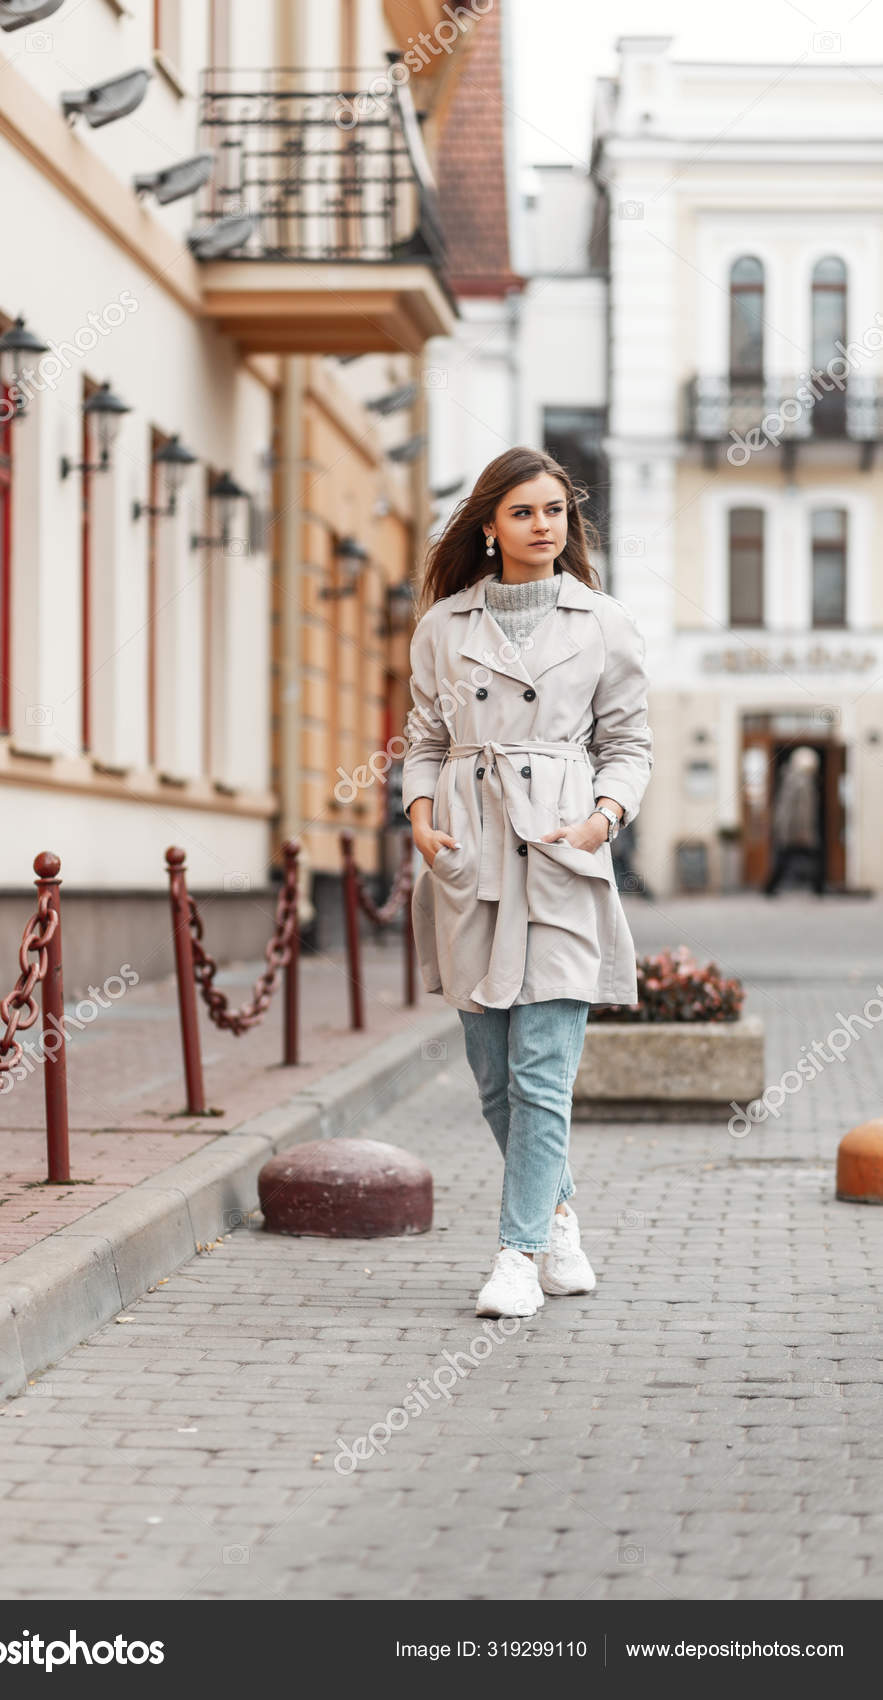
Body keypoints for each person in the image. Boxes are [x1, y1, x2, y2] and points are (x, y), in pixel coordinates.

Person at [401, 446, 653, 1319]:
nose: (542, 526)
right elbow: (424, 738)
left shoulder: (603, 622)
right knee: (494, 1080)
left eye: (554, 512)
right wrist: (421, 818)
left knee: (543, 1072)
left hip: (558, 851)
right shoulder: (442, 626)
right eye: (523, 512)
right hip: (468, 856)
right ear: (489, 526)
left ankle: (516, 1255)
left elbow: (628, 742)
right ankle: (557, 1215)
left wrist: (601, 820)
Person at [762, 746, 824, 896]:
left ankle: (818, 888)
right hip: (797, 831)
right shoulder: (797, 781)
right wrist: (788, 831)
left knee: (792, 859)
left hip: (798, 830)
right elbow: (790, 809)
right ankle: (770, 888)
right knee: (791, 859)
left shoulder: (800, 779)